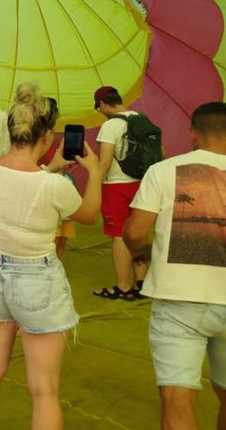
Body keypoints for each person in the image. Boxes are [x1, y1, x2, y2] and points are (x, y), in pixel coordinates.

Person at [0, 82, 101, 430]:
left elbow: (16, 187)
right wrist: (96, 173)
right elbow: (89, 215)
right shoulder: (53, 186)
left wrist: (50, 167)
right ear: (47, 136)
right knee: (44, 390)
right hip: (35, 281)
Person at [123, 101, 226, 430]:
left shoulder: (163, 171)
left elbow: (134, 233)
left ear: (193, 133)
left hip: (177, 300)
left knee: (177, 403)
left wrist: (145, 252)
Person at [92, 86, 149, 301]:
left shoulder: (110, 126)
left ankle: (123, 287)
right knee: (138, 232)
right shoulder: (142, 120)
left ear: (103, 104)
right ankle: (140, 283)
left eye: (98, 107)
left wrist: (94, 185)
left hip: (116, 185)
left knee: (119, 235)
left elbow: (105, 162)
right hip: (142, 184)